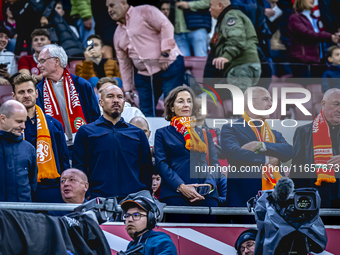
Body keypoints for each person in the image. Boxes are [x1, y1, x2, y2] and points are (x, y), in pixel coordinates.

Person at [72, 85, 153, 200]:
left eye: (119, 97)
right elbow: (79, 166)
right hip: (97, 199)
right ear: (101, 102)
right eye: (110, 96)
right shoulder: (86, 132)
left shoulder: (137, 133)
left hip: (133, 201)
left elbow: (146, 168)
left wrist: (144, 193)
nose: (115, 100)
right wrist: (88, 194)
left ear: (124, 103)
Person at [220, 87, 293, 210]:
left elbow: (289, 151)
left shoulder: (274, 133)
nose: (271, 104)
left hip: (275, 200)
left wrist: (260, 145)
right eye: (266, 99)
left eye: (271, 100)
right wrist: (266, 159)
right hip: (243, 198)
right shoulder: (231, 128)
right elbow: (235, 154)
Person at [108, 0, 184, 117]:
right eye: (107, 7)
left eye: (112, 5)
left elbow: (166, 25)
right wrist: (127, 90)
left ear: (123, 2)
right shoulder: (117, 34)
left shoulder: (145, 11)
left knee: (172, 108)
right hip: (145, 76)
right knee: (145, 114)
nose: (109, 10)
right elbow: (124, 64)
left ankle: (175, 134)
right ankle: (149, 135)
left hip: (169, 66)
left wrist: (165, 52)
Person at [154, 86, 219, 223]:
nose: (186, 105)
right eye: (181, 101)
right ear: (171, 107)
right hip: (175, 195)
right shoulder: (162, 133)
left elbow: (214, 165)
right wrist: (181, 186)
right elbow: (161, 164)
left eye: (189, 101)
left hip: (205, 196)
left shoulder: (205, 134)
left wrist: (208, 185)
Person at [12, 73, 69, 203]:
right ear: (13, 96)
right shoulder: (8, 126)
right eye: (21, 92)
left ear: (36, 93)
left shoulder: (54, 124)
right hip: (20, 189)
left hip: (51, 188)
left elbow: (63, 159)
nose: (26, 95)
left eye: (30, 91)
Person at [35, 44, 100, 147]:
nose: (38, 66)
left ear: (56, 61)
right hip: (56, 147)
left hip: (83, 144)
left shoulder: (82, 85)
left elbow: (95, 117)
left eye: (42, 61)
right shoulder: (38, 90)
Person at [290, 88, 340, 208]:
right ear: (323, 104)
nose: (339, 109)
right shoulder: (303, 132)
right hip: (316, 200)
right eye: (336, 104)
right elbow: (298, 172)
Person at [204, 0, 261, 93]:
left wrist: (226, 56)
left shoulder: (231, 16)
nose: (209, 9)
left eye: (211, 6)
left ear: (220, 6)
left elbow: (236, 38)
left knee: (240, 104)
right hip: (242, 68)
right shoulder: (226, 18)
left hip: (240, 68)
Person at [288, 0, 339, 79]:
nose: (313, 0)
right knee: (304, 89)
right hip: (303, 62)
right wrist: (330, 37)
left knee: (317, 88)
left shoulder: (314, 18)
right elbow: (307, 34)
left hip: (317, 60)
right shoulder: (294, 18)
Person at [0, 100, 37, 202]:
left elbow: (32, 185)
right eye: (19, 121)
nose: (23, 126)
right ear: (2, 118)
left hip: (22, 214)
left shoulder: (29, 149)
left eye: (24, 121)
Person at [120, 190, 177, 255]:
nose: (129, 219)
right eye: (127, 216)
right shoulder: (132, 245)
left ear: (150, 218)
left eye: (136, 215)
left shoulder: (162, 242)